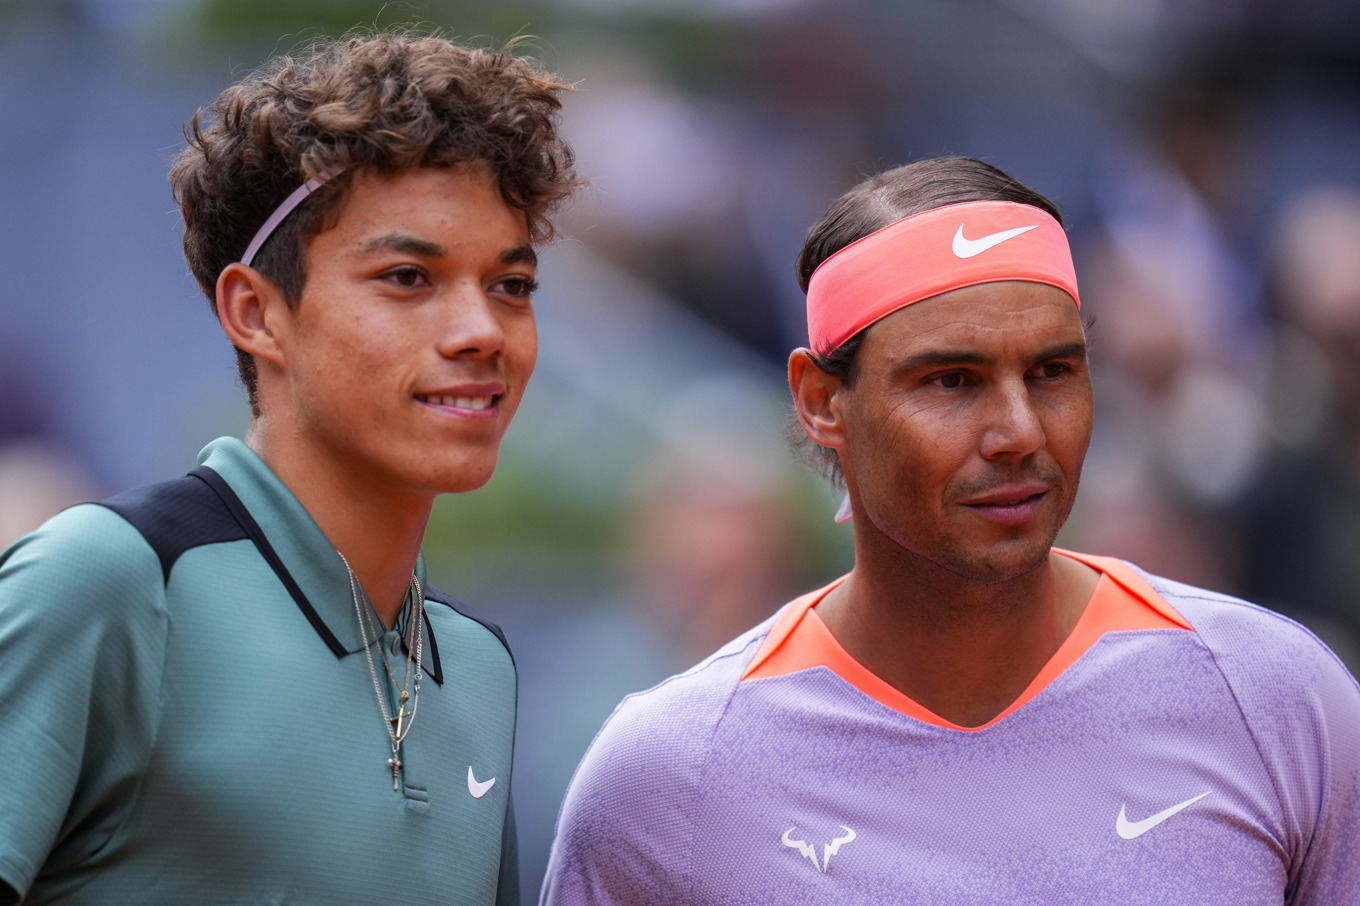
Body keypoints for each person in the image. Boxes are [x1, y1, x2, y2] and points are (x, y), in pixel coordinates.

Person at [540, 157, 1360, 905]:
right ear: (823, 402)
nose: (1020, 431)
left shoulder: (1275, 699)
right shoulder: (670, 778)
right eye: (952, 379)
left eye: (1053, 372)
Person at [0, 31, 578, 905]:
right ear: (257, 313)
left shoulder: (481, 668)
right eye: (408, 277)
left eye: (511, 285)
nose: (483, 332)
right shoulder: (109, 581)